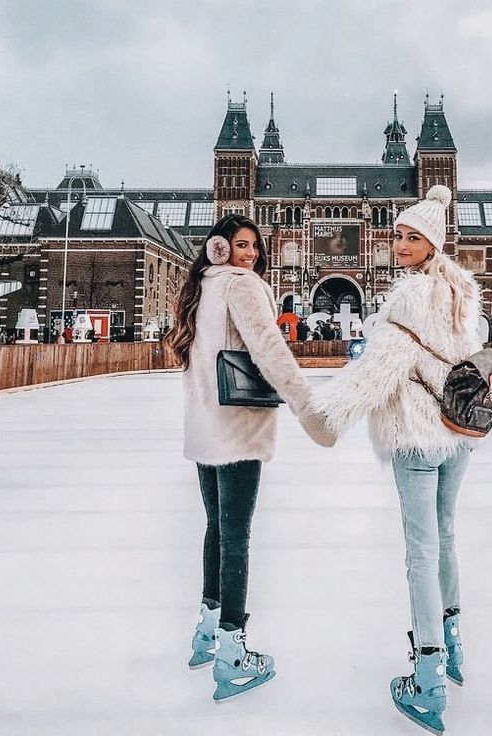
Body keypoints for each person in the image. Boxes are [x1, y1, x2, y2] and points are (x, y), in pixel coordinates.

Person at [309, 186, 483, 733]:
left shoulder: (409, 297)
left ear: (432, 243)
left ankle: (427, 678)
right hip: (457, 433)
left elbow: (375, 372)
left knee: (422, 551)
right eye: (399, 234)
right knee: (446, 536)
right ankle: (453, 648)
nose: (400, 244)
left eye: (412, 237)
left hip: (416, 435)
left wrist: (324, 414)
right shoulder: (461, 293)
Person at [165, 214, 332, 702]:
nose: (251, 254)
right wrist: (309, 409)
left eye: (255, 247)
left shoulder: (200, 290)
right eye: (241, 245)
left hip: (204, 426)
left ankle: (207, 630)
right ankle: (233, 650)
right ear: (220, 247)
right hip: (237, 426)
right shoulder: (242, 286)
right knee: (236, 536)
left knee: (217, 528)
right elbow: (271, 351)